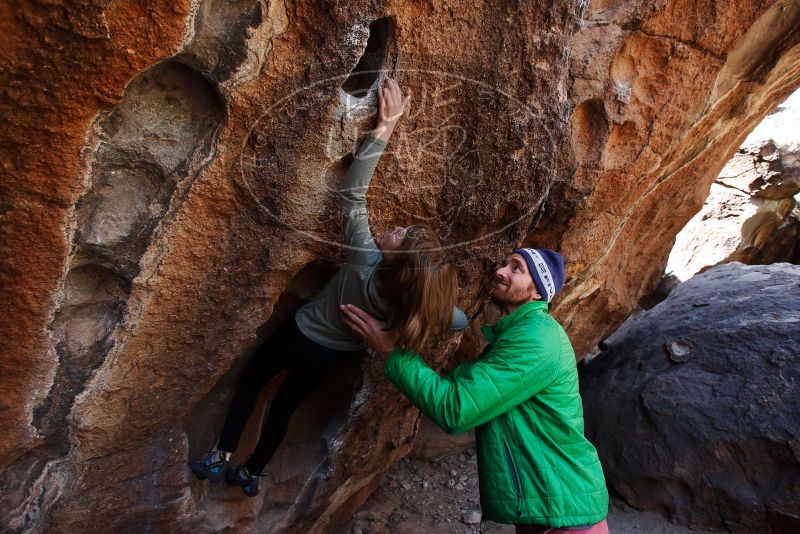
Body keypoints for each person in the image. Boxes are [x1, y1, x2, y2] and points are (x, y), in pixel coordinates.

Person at [189, 78, 468, 497]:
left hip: (298, 335)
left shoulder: (364, 261)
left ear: (396, 258)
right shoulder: (412, 300)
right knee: (284, 406)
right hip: (332, 358)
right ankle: (250, 473)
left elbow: (353, 196)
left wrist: (384, 128)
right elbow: (457, 318)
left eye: (400, 235)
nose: (395, 229)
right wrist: (401, 330)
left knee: (252, 382)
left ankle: (220, 456)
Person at [341, 248, 610, 533]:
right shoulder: (521, 333)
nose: (500, 271)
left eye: (516, 268)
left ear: (537, 292)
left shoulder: (537, 339)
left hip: (565, 511)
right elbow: (468, 385)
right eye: (504, 263)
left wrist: (393, 351)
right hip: (552, 505)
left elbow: (457, 408)